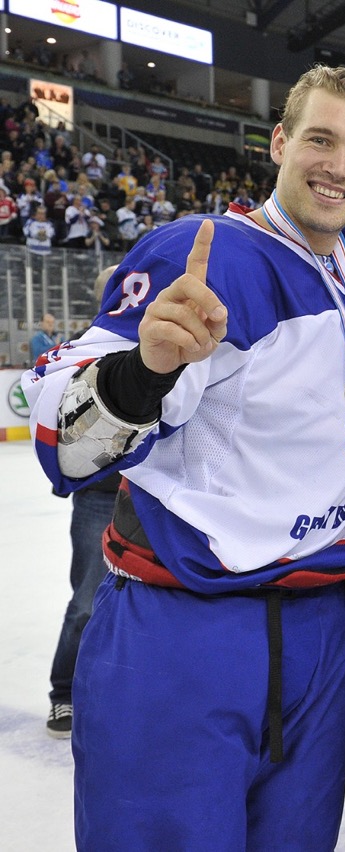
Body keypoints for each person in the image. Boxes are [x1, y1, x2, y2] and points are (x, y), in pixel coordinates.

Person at [21, 65, 345, 849]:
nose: (339, 165)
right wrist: (142, 373)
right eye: (320, 140)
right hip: (185, 637)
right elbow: (61, 435)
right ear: (278, 141)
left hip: (324, 632)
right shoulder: (204, 255)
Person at [44, 266, 120, 739]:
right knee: (88, 602)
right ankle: (64, 692)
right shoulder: (82, 348)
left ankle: (115, 691)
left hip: (149, 495)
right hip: (99, 496)